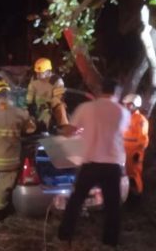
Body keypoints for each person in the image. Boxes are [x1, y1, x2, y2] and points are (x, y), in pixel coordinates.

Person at [57, 78, 130, 249]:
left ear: (101, 90)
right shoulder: (123, 112)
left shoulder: (86, 108)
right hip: (113, 165)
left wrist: (63, 134)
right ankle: (110, 241)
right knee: (113, 206)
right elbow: (119, 134)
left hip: (90, 163)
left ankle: (64, 234)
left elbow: (69, 130)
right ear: (117, 93)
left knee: (76, 200)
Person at [0, 80, 36, 219]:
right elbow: (30, 129)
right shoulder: (20, 113)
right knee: (3, 186)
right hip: (10, 159)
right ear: (8, 95)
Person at [26, 57, 69, 132]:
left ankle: (64, 127)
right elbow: (30, 93)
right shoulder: (34, 79)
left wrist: (49, 105)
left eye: (41, 72)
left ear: (48, 71)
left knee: (60, 106)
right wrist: (29, 105)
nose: (38, 75)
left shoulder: (57, 81)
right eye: (37, 72)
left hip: (51, 108)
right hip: (38, 107)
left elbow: (59, 97)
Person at [122, 94, 149, 198]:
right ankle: (127, 196)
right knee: (125, 175)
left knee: (134, 175)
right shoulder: (126, 118)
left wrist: (137, 153)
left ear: (133, 105)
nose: (125, 106)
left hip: (134, 154)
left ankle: (137, 196)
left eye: (127, 104)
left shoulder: (140, 120)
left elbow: (143, 140)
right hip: (124, 152)